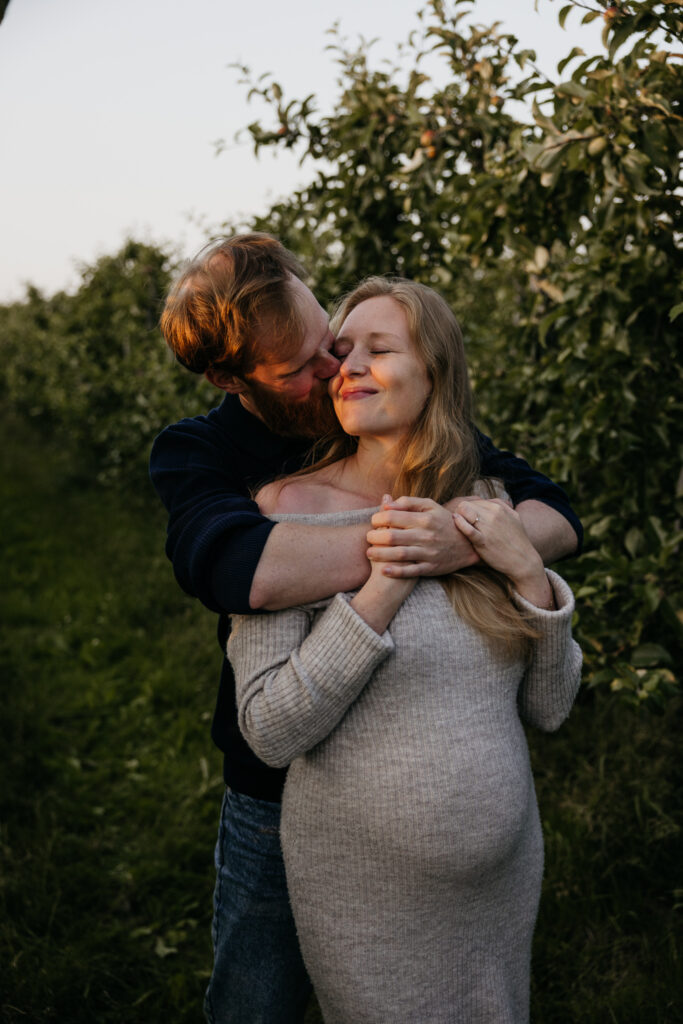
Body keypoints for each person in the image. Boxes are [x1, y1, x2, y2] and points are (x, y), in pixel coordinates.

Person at [149, 234, 583, 1024]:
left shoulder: (449, 469)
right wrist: (416, 546)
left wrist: (490, 545)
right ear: (229, 376)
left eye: (337, 344)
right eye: (304, 367)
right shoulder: (207, 456)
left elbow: (554, 513)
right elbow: (234, 568)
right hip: (284, 803)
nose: (331, 372)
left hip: (478, 871)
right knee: (255, 1002)